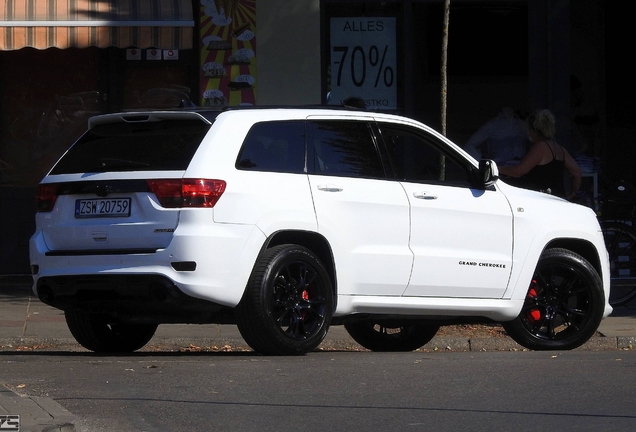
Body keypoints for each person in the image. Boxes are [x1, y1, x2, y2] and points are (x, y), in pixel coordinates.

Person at [499, 109, 581, 200]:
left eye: (529, 129)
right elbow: (577, 172)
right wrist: (572, 193)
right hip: (558, 198)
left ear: (534, 129)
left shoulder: (541, 147)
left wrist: (497, 168)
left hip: (543, 199)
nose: (528, 133)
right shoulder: (560, 149)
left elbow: (519, 171)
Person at [463, 107, 528, 165]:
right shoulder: (493, 125)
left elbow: (535, 143)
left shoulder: (522, 125)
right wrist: (484, 162)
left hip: (522, 169)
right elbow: (469, 146)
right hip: (500, 169)